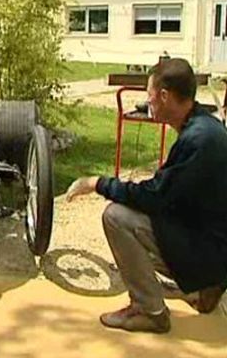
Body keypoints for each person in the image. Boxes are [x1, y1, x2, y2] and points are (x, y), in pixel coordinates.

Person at [66, 58, 227, 333]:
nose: (148, 101)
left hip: (212, 252)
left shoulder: (198, 140)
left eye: (149, 95)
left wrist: (98, 183)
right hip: (211, 242)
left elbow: (154, 197)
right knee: (136, 235)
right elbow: (168, 195)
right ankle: (202, 289)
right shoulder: (204, 128)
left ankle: (150, 311)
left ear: (164, 96)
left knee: (116, 217)